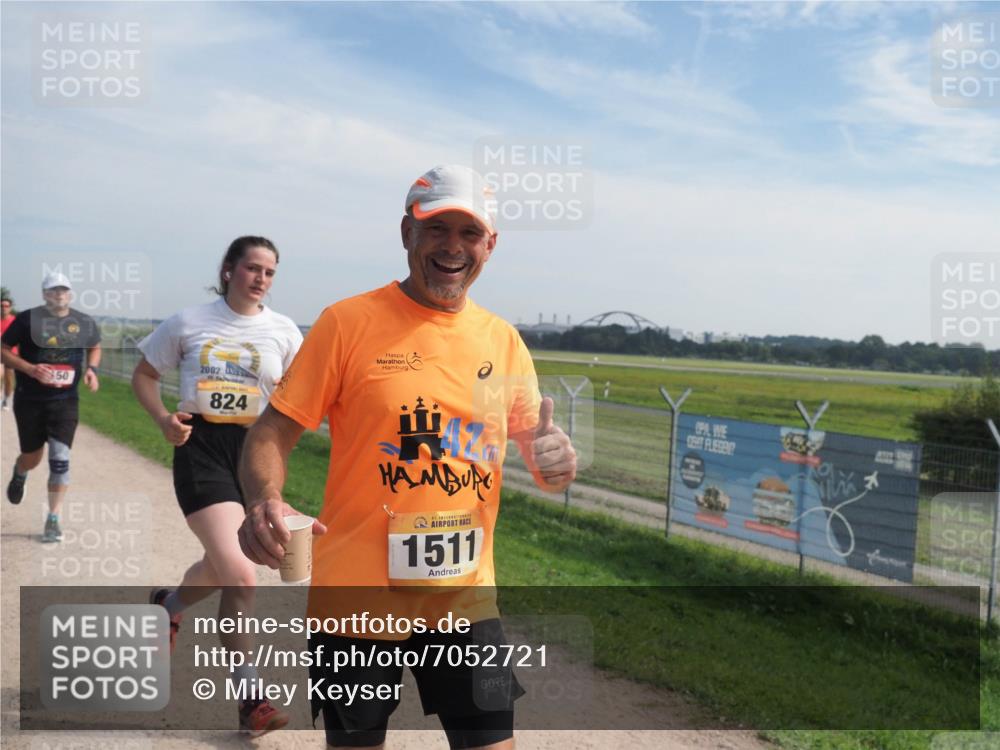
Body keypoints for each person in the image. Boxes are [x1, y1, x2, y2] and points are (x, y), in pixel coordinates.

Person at [236, 166, 577, 750]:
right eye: (436, 228)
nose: (452, 246)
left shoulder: (503, 342)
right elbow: (271, 431)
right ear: (406, 233)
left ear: (490, 244)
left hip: (466, 599)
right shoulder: (347, 323)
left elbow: (544, 463)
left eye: (469, 233)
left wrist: (555, 463)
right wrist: (265, 499)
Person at [131, 236, 303, 737]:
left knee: (222, 563)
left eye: (270, 272)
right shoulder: (188, 322)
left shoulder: (284, 332)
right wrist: (163, 419)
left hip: (256, 456)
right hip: (201, 448)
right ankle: (251, 700)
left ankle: (168, 607)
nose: (261, 279)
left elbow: (301, 399)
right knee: (241, 575)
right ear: (228, 270)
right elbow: (144, 376)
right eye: (252, 268)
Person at [2, 273, 101, 541]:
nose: (59, 294)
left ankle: (53, 519)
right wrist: (30, 369)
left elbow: (95, 347)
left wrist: (92, 369)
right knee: (32, 458)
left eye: (64, 290)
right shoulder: (27, 320)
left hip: (65, 402)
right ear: (45, 294)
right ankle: (20, 471)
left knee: (60, 460)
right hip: (30, 401)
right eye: (54, 290)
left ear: (70, 294)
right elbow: (4, 349)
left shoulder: (83, 322)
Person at [1, 295, 17, 409]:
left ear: (10, 308)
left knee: (9, 378)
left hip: (11, 353)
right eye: (2, 306)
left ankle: (6, 399)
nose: (4, 308)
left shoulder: (15, 321)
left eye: (6, 306)